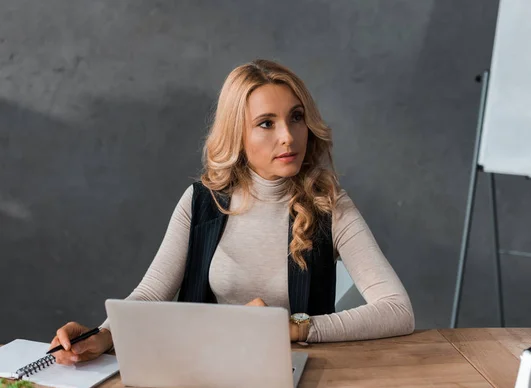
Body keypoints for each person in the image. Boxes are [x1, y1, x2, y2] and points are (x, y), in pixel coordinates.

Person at [50, 59, 415, 365]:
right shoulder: (201, 201)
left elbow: (397, 310)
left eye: (297, 117)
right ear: (237, 133)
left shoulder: (328, 204)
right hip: (205, 371)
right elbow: (149, 295)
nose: (288, 136)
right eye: (266, 123)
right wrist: (104, 335)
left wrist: (293, 326)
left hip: (293, 376)